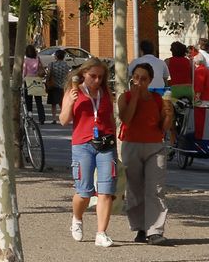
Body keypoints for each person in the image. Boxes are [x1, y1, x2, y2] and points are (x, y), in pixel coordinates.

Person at [60, 58, 117, 248]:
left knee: (106, 190)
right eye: (93, 76)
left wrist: (115, 139)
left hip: (105, 143)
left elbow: (109, 117)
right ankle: (77, 218)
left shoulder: (105, 92)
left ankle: (101, 233)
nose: (97, 80)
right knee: (84, 192)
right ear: (83, 74)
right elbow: (63, 120)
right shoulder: (73, 91)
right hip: (83, 144)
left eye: (101, 77)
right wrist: (70, 103)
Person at [119, 62, 173, 244]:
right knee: (135, 189)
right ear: (132, 78)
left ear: (150, 81)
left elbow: (163, 127)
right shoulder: (125, 97)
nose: (139, 82)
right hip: (131, 145)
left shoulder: (157, 100)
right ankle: (140, 228)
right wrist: (135, 97)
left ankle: (155, 230)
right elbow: (126, 118)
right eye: (136, 78)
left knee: (155, 189)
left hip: (154, 146)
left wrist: (168, 115)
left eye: (143, 79)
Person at [46, 48, 71, 123]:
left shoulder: (52, 64)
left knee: (53, 104)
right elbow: (68, 75)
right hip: (63, 86)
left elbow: (49, 75)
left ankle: (54, 118)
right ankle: (62, 117)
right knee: (62, 103)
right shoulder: (66, 65)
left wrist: (47, 83)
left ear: (56, 56)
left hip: (53, 85)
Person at [21, 45, 45, 122]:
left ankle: (30, 116)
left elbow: (24, 72)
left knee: (28, 100)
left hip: (28, 80)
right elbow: (41, 67)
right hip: (37, 79)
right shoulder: (37, 58)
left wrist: (22, 79)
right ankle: (42, 118)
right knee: (39, 101)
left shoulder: (26, 60)